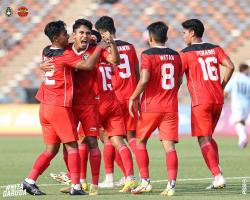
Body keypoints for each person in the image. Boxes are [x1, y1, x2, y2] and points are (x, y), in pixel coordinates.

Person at [22, 20, 106, 196]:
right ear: (56, 37)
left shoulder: (46, 50)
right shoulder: (65, 55)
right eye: (64, 34)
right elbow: (88, 65)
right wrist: (99, 47)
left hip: (44, 106)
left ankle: (29, 181)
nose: (67, 36)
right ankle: (76, 186)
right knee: (73, 146)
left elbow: (59, 51)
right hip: (58, 106)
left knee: (51, 149)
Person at [180, 19, 235, 189]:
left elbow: (177, 77)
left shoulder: (185, 53)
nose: (183, 36)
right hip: (218, 99)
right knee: (208, 137)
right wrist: (221, 86)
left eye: (184, 32)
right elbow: (230, 66)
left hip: (201, 100)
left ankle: (217, 176)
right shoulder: (215, 48)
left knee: (203, 139)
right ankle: (217, 173)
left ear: (192, 33)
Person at [128, 21, 182, 196]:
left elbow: (144, 79)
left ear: (150, 37)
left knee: (140, 141)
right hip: (171, 107)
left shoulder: (147, 54)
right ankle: (171, 186)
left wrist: (133, 96)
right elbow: (179, 81)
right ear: (165, 36)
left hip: (151, 106)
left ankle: (145, 182)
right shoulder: (176, 55)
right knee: (170, 148)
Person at [95, 16, 139, 188]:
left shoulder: (105, 48)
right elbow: (136, 72)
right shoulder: (131, 46)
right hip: (131, 96)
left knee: (107, 137)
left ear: (104, 32)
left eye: (99, 33)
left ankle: (110, 178)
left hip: (113, 97)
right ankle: (138, 176)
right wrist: (137, 96)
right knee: (132, 138)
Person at [225, 63, 250, 148]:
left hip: (237, 103)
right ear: (245, 70)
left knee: (237, 121)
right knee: (242, 121)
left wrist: (222, 99)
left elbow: (227, 90)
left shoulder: (235, 78)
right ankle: (241, 142)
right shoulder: (248, 79)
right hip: (247, 103)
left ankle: (243, 137)